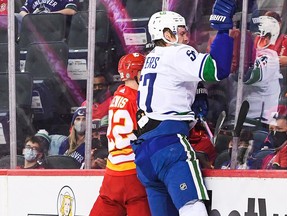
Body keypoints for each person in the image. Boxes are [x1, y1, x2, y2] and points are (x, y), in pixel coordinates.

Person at [132, 0, 236, 214]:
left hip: (144, 153)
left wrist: (195, 91)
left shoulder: (151, 58)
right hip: (169, 145)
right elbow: (217, 70)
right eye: (181, 32)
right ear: (167, 34)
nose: (187, 37)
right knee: (192, 208)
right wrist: (222, 30)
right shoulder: (176, 52)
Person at [89, 53, 151, 216]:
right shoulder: (141, 100)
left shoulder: (117, 95)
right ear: (138, 74)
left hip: (112, 175)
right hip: (134, 175)